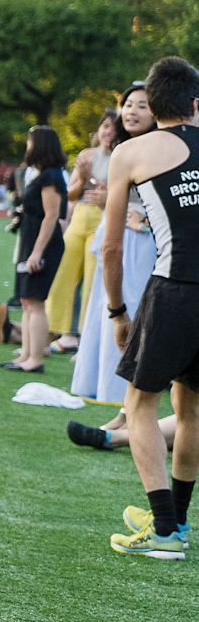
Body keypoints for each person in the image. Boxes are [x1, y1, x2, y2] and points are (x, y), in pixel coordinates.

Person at [102, 56, 199, 560]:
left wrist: (118, 311)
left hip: (174, 287)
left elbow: (111, 247)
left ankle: (162, 531)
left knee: (140, 406)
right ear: (195, 104)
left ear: (150, 104)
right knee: (193, 410)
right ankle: (177, 522)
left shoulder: (132, 153)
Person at [71, 92, 158, 422]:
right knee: (106, 306)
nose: (132, 112)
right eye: (128, 105)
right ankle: (107, 393)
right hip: (114, 234)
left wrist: (141, 218)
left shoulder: (161, 149)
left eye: (142, 106)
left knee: (131, 311)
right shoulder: (121, 149)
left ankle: (126, 403)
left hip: (139, 240)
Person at [0, 127, 67, 373]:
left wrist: (37, 252)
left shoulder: (51, 176)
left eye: (30, 142)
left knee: (35, 301)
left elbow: (51, 216)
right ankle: (26, 354)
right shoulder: (42, 174)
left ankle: (35, 359)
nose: (27, 146)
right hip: (31, 240)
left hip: (43, 244)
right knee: (27, 301)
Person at [48, 113, 115, 353]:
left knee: (91, 285)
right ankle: (58, 331)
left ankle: (85, 341)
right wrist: (84, 177)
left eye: (114, 127)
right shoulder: (87, 156)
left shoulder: (123, 156)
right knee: (62, 275)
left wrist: (98, 183)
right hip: (80, 219)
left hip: (103, 219)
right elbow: (71, 193)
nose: (109, 131)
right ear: (98, 130)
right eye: (105, 125)